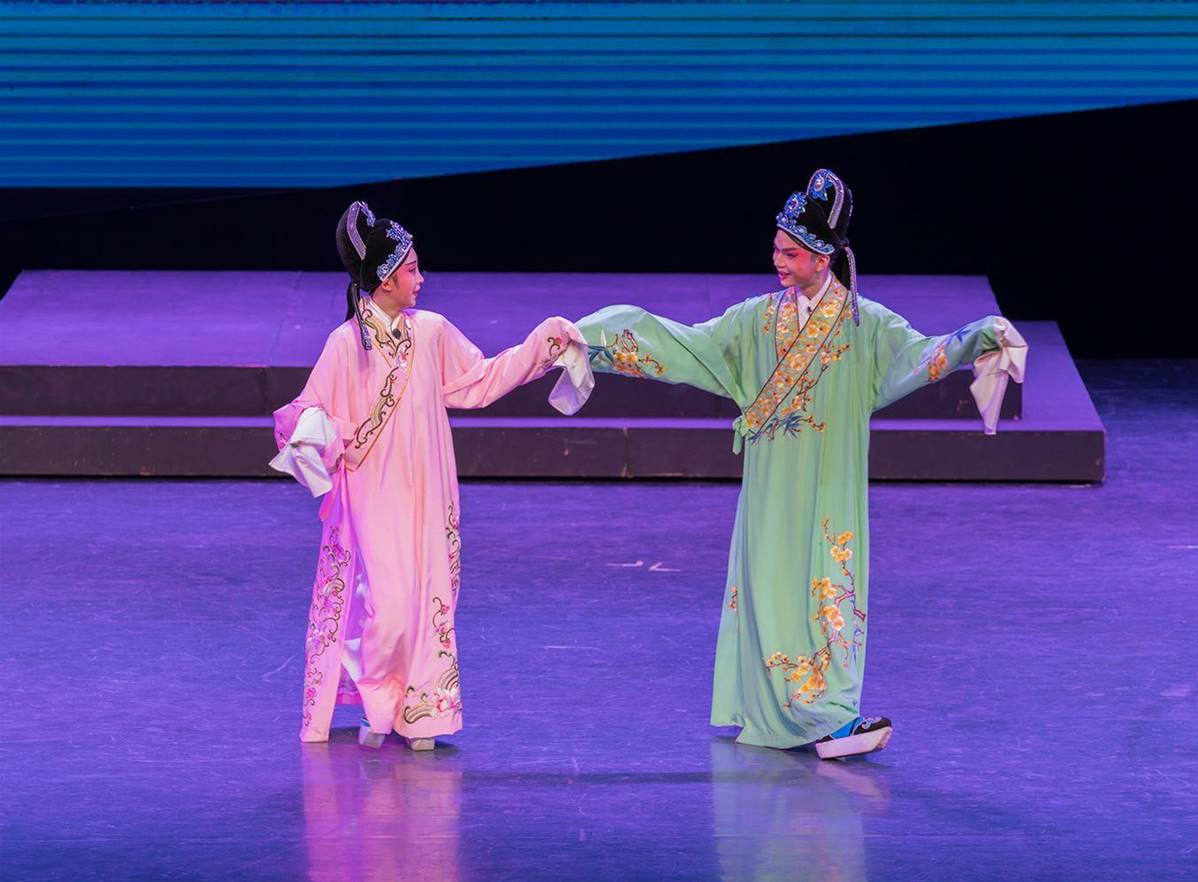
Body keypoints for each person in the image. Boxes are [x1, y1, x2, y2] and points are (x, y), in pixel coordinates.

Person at [576, 169, 1026, 758]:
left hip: (831, 476)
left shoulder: (866, 323)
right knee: (771, 586)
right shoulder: (757, 319)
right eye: (776, 249)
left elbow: (921, 355)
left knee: (827, 584)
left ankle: (830, 714)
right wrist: (595, 338)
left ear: (823, 258)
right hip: (772, 480)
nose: (778, 261)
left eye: (790, 253)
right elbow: (690, 346)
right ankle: (776, 711)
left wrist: (976, 338)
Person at [271, 201, 592, 749]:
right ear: (386, 279)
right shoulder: (346, 344)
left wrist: (543, 344)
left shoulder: (433, 331)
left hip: (429, 484)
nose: (421, 279)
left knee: (430, 599)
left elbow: (480, 380)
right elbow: (304, 412)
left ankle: (422, 713)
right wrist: (328, 432)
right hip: (374, 492)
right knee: (392, 606)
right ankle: (378, 698)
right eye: (413, 269)